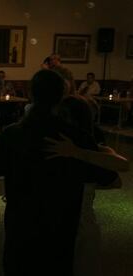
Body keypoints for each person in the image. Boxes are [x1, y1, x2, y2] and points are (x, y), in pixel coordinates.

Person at [0, 70, 114, 276]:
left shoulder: (11, 134)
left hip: (21, 225)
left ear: (31, 94)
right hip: (61, 228)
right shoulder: (76, 137)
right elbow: (109, 177)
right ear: (62, 95)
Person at [45, 95, 128, 276]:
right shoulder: (86, 148)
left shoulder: (77, 146)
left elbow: (122, 167)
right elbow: (116, 177)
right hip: (78, 226)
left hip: (64, 224)